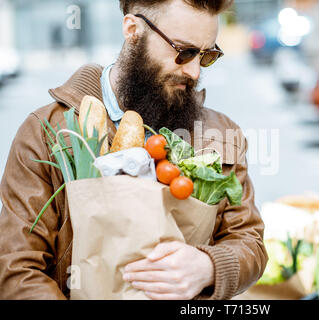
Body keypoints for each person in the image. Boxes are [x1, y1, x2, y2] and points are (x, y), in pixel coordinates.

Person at [0, 0, 267, 300]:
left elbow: (249, 241)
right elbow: (17, 270)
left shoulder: (220, 134)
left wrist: (209, 266)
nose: (193, 72)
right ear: (132, 30)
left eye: (207, 56)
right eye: (184, 52)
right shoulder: (45, 132)